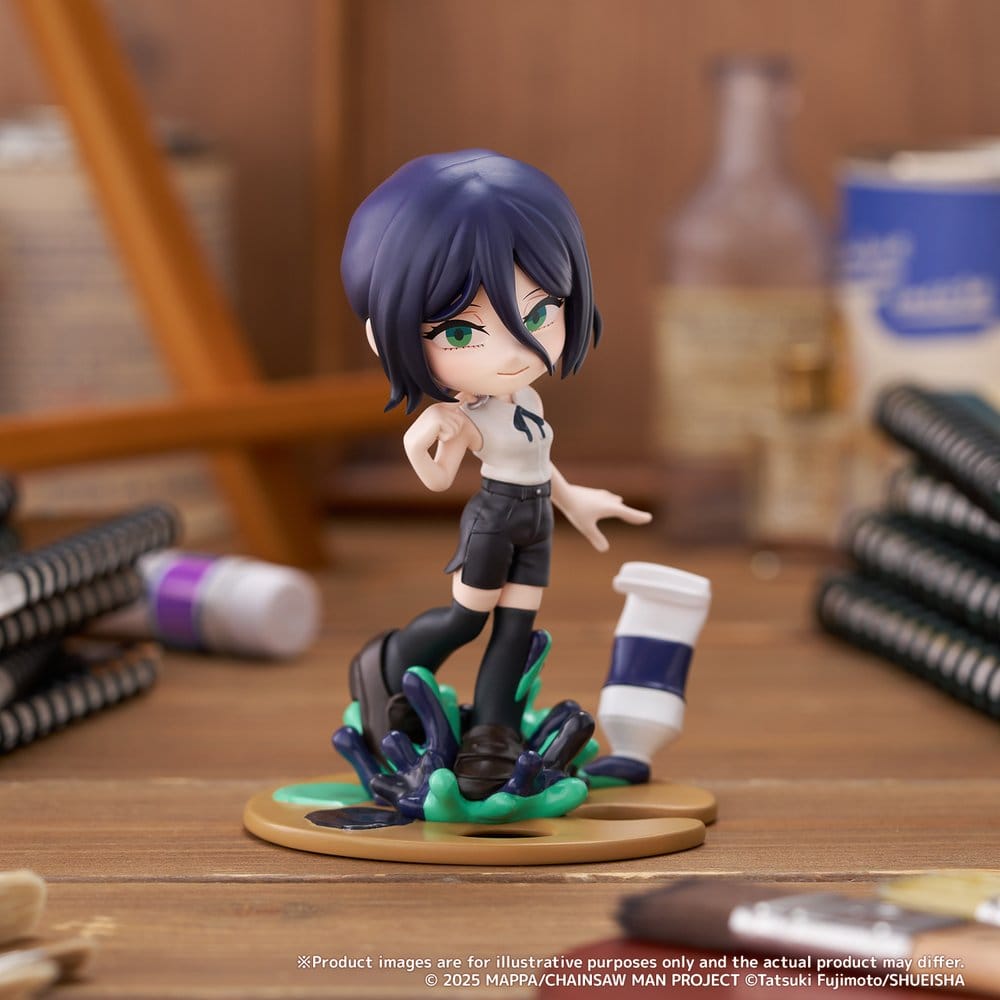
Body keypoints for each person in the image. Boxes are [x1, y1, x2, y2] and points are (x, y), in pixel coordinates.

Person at [341, 150, 650, 800]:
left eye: (538, 315)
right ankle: (389, 663)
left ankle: (494, 734)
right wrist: (433, 437)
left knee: (516, 628)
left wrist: (574, 499)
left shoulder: (526, 399)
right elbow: (435, 480)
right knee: (467, 618)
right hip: (493, 520)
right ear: (385, 336)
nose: (513, 353)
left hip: (535, 521)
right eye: (460, 333)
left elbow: (537, 462)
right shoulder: (466, 417)